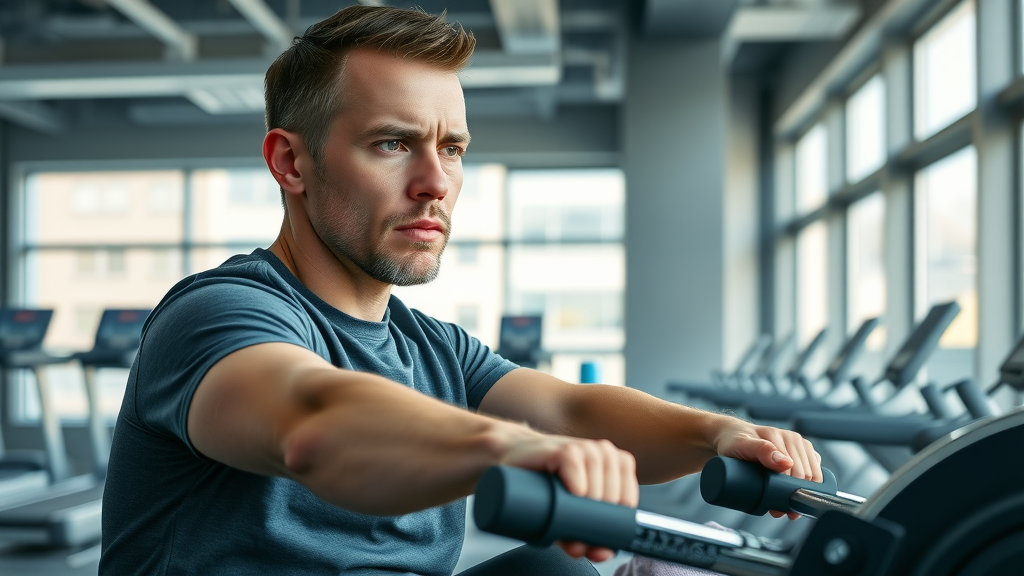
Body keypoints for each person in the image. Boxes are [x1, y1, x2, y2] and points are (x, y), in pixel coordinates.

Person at [99, 5, 822, 575]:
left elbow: (570, 408)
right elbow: (314, 420)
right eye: (392, 143)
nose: (436, 183)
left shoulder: (431, 346)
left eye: (451, 148)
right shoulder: (221, 314)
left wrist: (718, 435)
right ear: (291, 162)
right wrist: (505, 447)